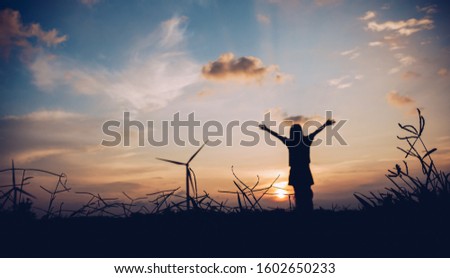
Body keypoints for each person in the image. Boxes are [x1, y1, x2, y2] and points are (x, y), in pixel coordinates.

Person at [259, 119, 335, 212]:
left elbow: (278, 136)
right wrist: (325, 125)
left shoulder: (291, 142)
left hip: (297, 170)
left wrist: (266, 129)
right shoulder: (305, 140)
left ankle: (302, 210)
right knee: (305, 192)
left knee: (300, 193)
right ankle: (306, 210)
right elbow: (316, 132)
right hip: (303, 170)